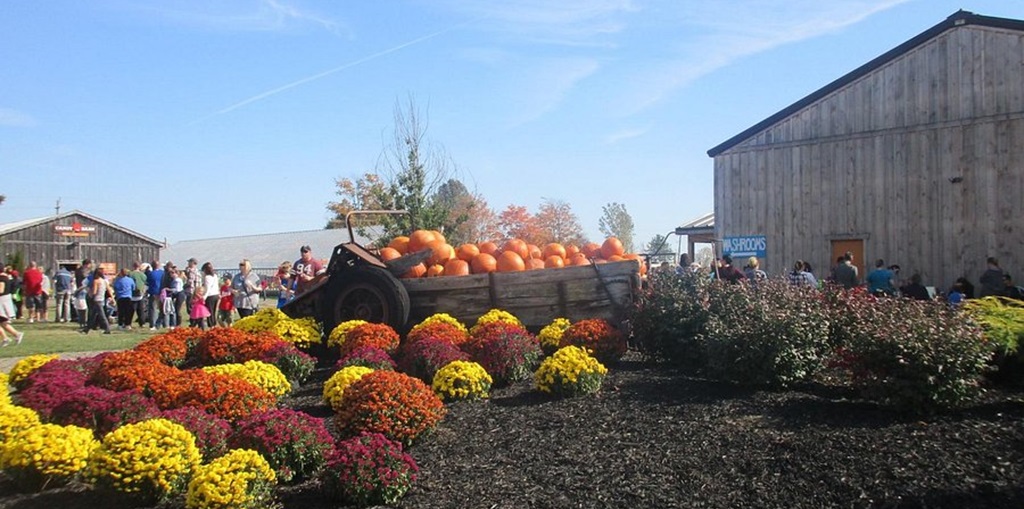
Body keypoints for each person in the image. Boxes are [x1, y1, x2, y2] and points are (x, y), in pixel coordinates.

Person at [81, 266, 113, 334]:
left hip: (96, 300)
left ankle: (107, 328)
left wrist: (90, 295)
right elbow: (109, 289)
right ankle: (87, 328)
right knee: (92, 315)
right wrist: (112, 298)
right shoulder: (104, 281)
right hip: (101, 299)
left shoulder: (96, 281)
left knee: (102, 315)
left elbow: (94, 292)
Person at [0, 267, 24, 346]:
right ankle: (12, 335)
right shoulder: (6, 277)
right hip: (4, 300)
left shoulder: (2, 278)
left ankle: (7, 337)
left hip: (1, 301)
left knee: (3, 321)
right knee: (3, 322)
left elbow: (1, 290)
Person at [146, 260, 165, 330]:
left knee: (152, 309)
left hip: (153, 292)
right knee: (162, 309)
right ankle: (164, 323)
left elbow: (147, 282)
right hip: (162, 293)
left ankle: (152, 324)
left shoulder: (150, 274)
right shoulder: (163, 273)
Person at [129, 262, 148, 328]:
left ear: (133, 266)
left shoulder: (130, 274)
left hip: (132, 293)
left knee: (131, 310)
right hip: (140, 293)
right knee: (141, 310)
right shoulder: (142, 275)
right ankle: (142, 323)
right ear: (139, 266)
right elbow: (145, 282)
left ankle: (128, 323)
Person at [201, 262, 220, 328]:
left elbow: (207, 288)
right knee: (213, 311)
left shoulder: (207, 277)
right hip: (216, 295)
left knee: (209, 312)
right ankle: (214, 324)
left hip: (210, 296)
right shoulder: (215, 276)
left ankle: (211, 325)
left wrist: (204, 297)